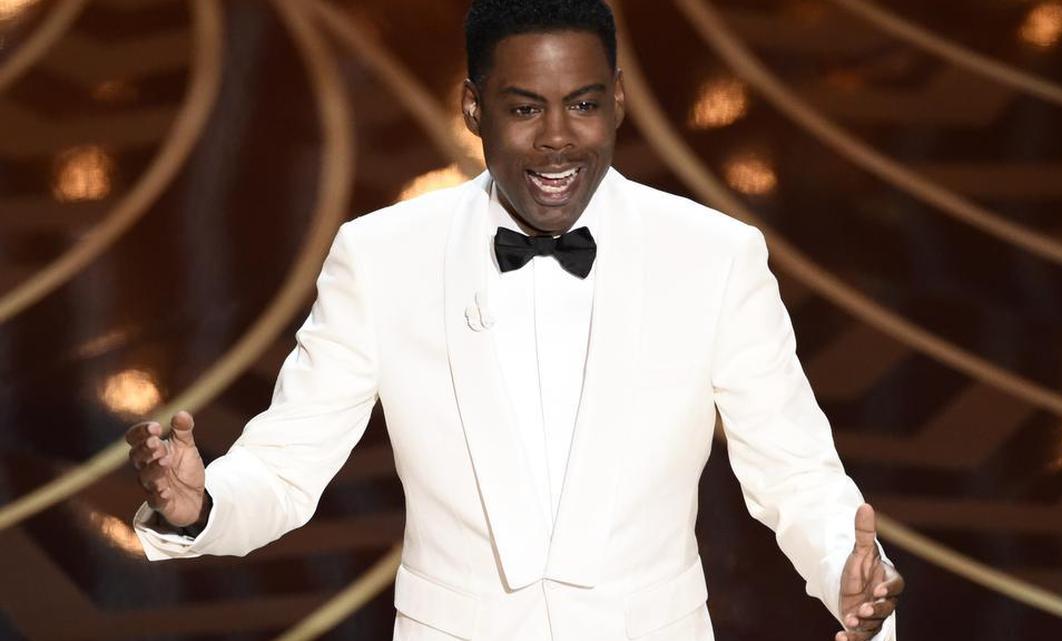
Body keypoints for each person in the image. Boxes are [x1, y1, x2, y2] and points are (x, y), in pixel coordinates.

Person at [125, 1, 904, 639]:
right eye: (525, 108)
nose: (558, 138)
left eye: (584, 105)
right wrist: (201, 506)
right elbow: (287, 465)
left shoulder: (715, 255)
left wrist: (845, 566)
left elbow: (794, 470)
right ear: (474, 107)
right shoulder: (382, 256)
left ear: (619, 101)